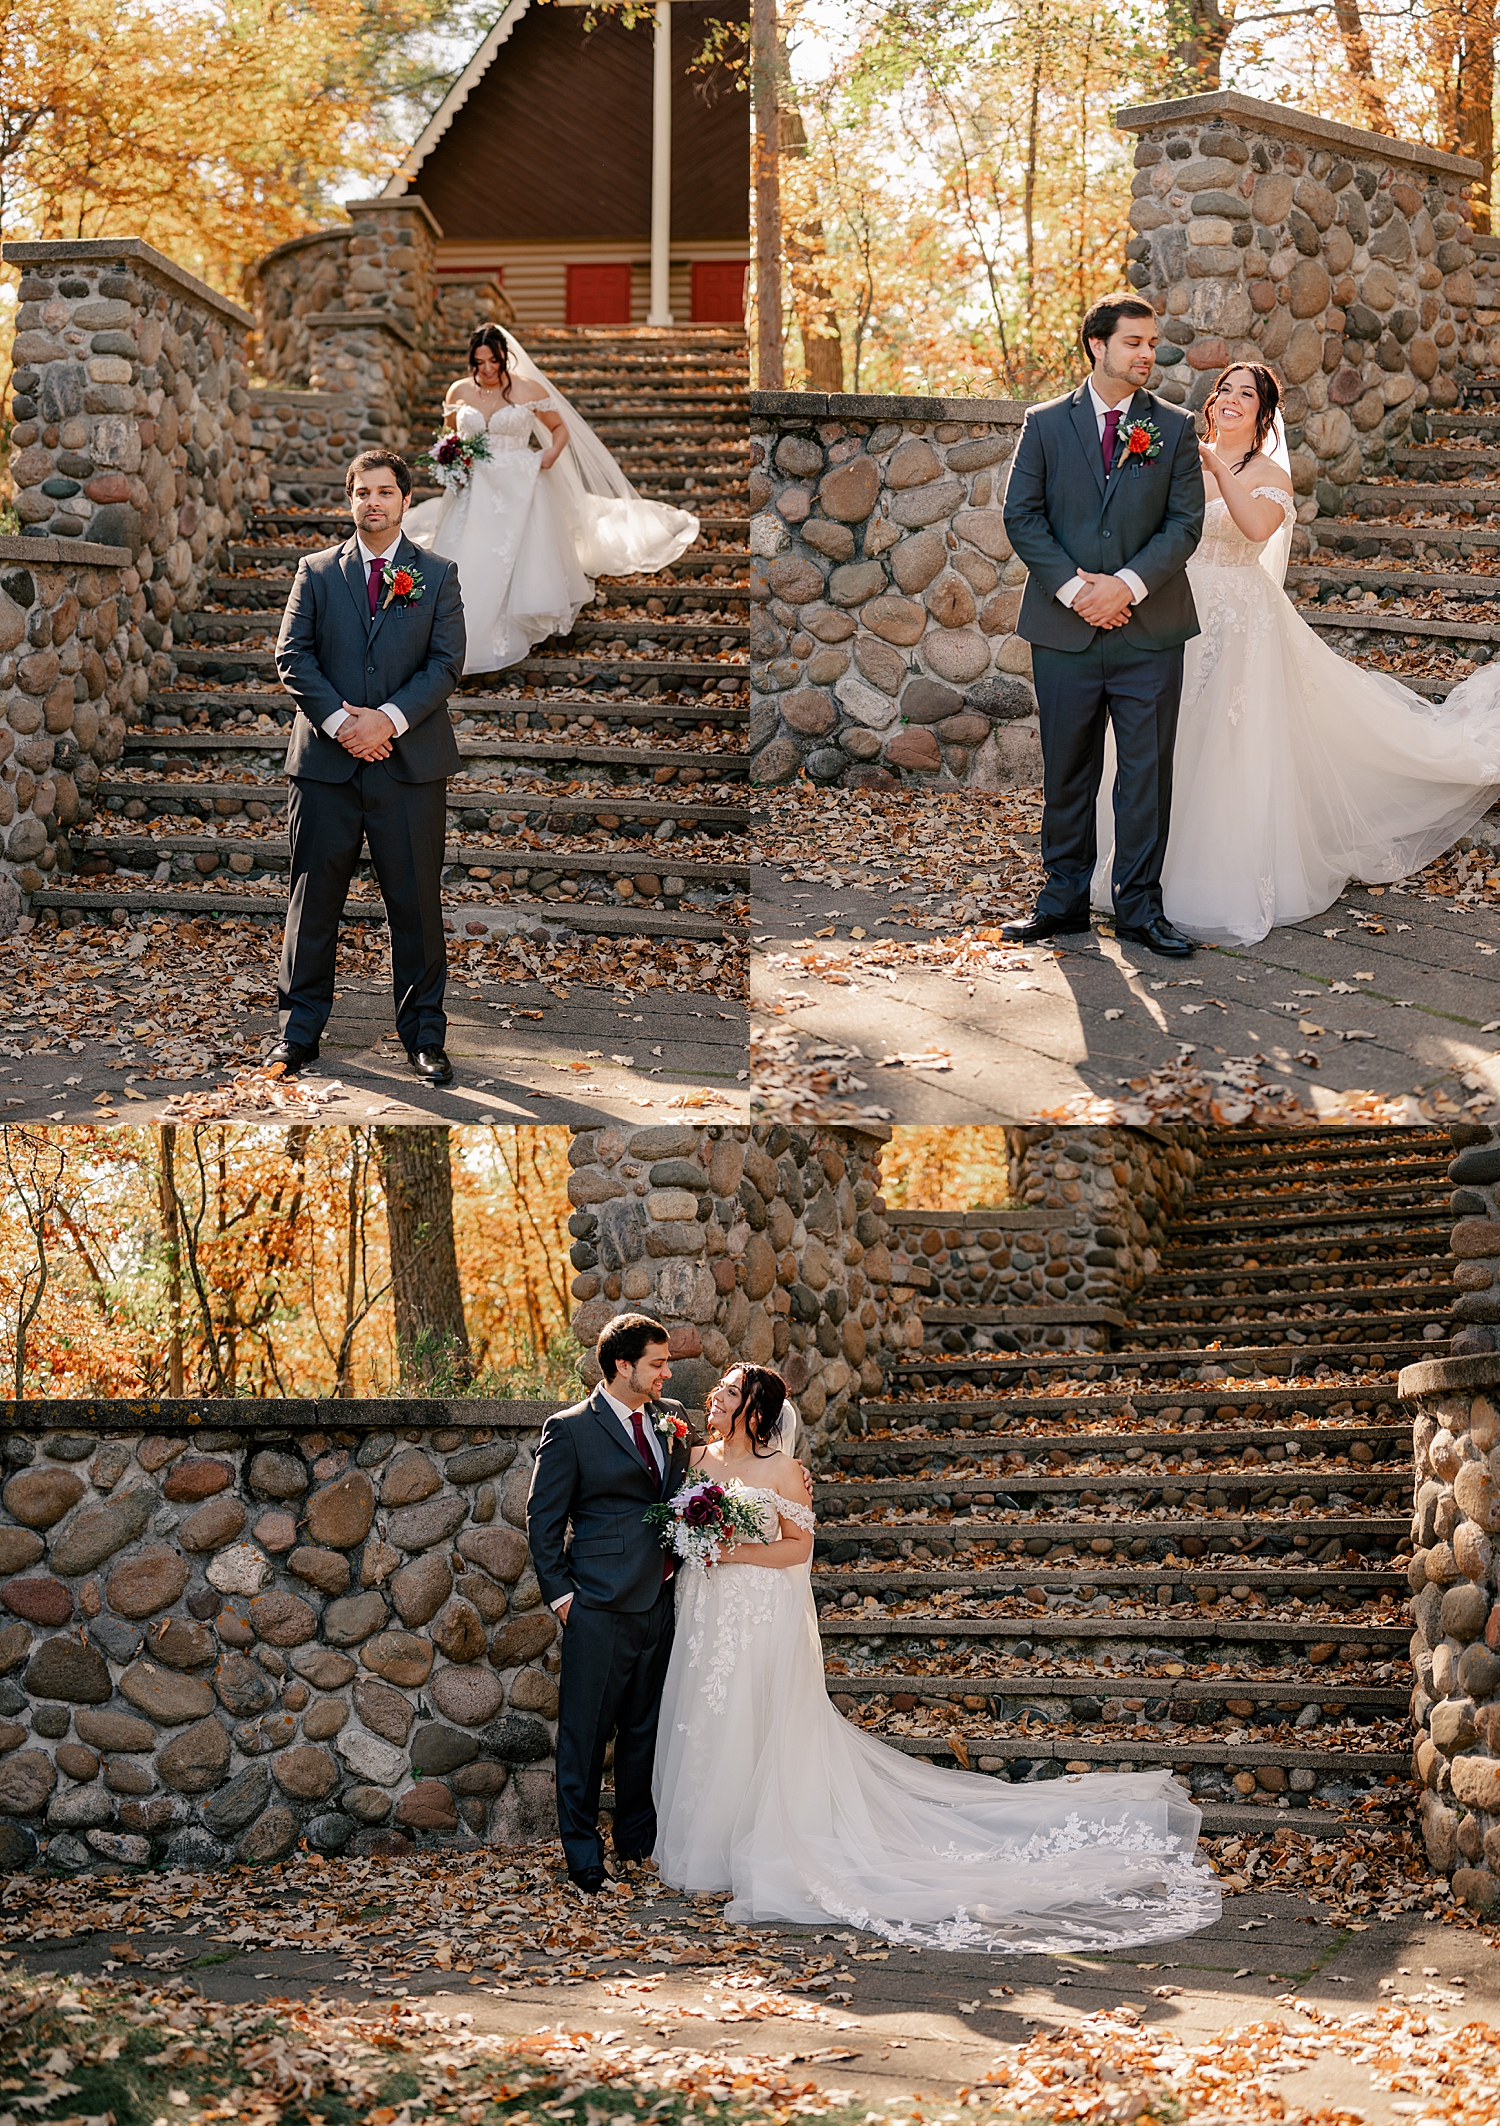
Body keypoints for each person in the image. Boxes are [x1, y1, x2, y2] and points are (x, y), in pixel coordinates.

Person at [651, 1363, 1222, 1954]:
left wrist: (733, 1550)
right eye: (717, 1391)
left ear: (756, 1410)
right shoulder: (694, 1461)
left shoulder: (785, 1472)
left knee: (758, 1716)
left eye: (728, 1393)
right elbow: (676, 1526)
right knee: (708, 1716)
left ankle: (762, 1841)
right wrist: (695, 1543)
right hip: (705, 1609)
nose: (713, 1399)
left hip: (756, 1610)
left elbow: (798, 1550)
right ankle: (708, 1846)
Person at [1092, 359, 1500, 945]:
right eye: (1224, 390)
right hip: (1172, 612)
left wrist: (1212, 461)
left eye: (1246, 395)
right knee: (1165, 740)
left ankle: (1206, 881)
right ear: (1211, 402)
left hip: (1240, 622)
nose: (1231, 399)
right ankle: (1135, 874)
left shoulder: (1267, 473)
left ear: (1262, 413)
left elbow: (1257, 527)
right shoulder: (1170, 457)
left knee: (1228, 744)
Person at [1000, 294, 1206, 960]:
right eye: (1134, 343)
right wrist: (1074, 590)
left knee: (1145, 776)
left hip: (1150, 634)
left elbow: (1184, 525)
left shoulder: (1172, 428)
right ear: (1097, 344)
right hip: (1066, 635)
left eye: (1152, 343)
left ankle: (1141, 910)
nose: (1148, 354)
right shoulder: (1045, 424)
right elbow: (1022, 516)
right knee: (1067, 771)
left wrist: (1127, 587)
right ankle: (1061, 903)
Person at [271, 448, 465, 1088]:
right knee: (313, 900)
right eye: (362, 493)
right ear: (349, 499)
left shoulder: (436, 575)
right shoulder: (317, 572)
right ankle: (298, 1034)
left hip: (407, 767)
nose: (373, 502)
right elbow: (293, 655)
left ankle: (425, 1040)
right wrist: (343, 725)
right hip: (326, 766)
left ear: (406, 501)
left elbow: (444, 664)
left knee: (414, 904)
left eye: (385, 492)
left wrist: (387, 719)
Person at [403, 324, 699, 672]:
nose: (486, 369)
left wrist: (549, 455)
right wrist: (451, 461)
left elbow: (560, 429)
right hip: (473, 489)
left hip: (520, 483)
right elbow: (450, 436)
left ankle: (505, 629)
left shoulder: (528, 389)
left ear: (505, 357)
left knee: (511, 553)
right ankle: (450, 637)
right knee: (467, 554)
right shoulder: (459, 391)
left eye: (493, 361)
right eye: (479, 362)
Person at [525, 1313, 693, 1893]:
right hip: (596, 1606)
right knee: (585, 1735)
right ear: (624, 1365)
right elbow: (543, 1523)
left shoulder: (672, 1423)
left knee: (643, 1730)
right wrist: (565, 1598)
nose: (667, 1374)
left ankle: (636, 1842)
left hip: (659, 1601)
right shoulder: (570, 1429)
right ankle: (582, 1853)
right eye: (658, 1363)